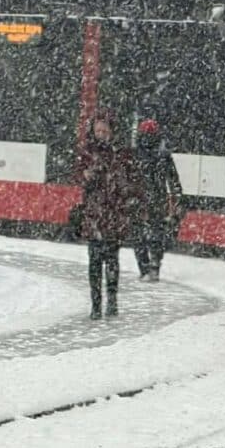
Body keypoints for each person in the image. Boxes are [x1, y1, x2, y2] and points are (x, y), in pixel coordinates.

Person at [72, 111, 137, 319]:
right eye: (97, 130)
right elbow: (78, 176)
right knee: (94, 261)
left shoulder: (121, 154)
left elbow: (129, 181)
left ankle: (112, 300)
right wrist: (87, 175)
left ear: (111, 131)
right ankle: (96, 304)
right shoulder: (87, 153)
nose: (101, 134)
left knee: (111, 259)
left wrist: (124, 196)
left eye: (104, 130)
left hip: (114, 214)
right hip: (94, 215)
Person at [131, 117, 183, 282]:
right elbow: (173, 180)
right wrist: (176, 196)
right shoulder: (163, 155)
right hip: (155, 197)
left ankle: (145, 267)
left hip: (140, 198)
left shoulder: (135, 154)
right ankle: (153, 266)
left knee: (139, 234)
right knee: (155, 233)